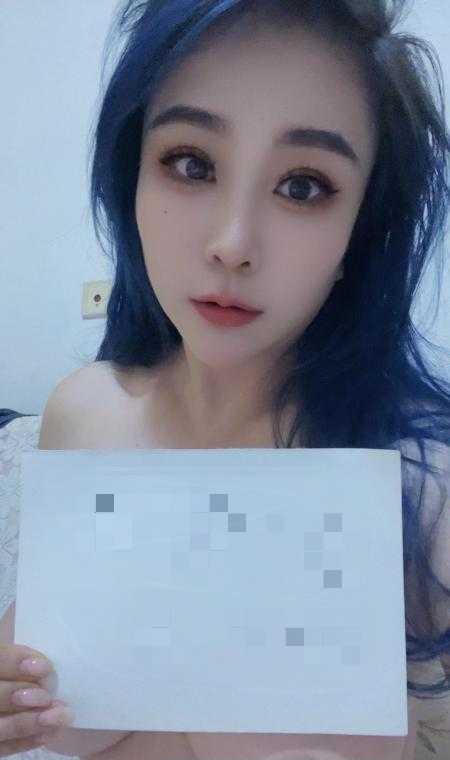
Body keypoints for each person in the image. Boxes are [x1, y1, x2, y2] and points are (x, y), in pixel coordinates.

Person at [1, 0, 450, 757]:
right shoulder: (83, 414)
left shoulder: (421, 484)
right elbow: (37, 659)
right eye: (191, 163)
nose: (232, 243)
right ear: (131, 180)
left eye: (303, 186)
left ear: (360, 231)